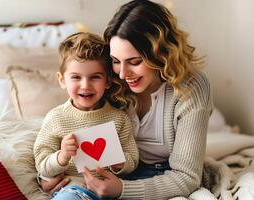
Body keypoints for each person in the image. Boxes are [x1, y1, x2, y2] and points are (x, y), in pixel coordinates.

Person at [40, 0, 213, 199]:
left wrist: (123, 190)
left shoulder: (190, 86)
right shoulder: (107, 81)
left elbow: (186, 177)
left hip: (165, 177)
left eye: (135, 62)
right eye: (115, 61)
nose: (122, 74)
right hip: (106, 176)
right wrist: (46, 176)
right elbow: (63, 128)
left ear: (162, 54)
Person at [33, 32, 139, 200]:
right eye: (76, 77)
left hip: (111, 191)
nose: (85, 85)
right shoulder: (56, 118)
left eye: (95, 77)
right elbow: (42, 163)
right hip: (73, 191)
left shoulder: (119, 118)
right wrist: (61, 157)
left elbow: (132, 158)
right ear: (62, 80)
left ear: (108, 81)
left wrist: (120, 163)